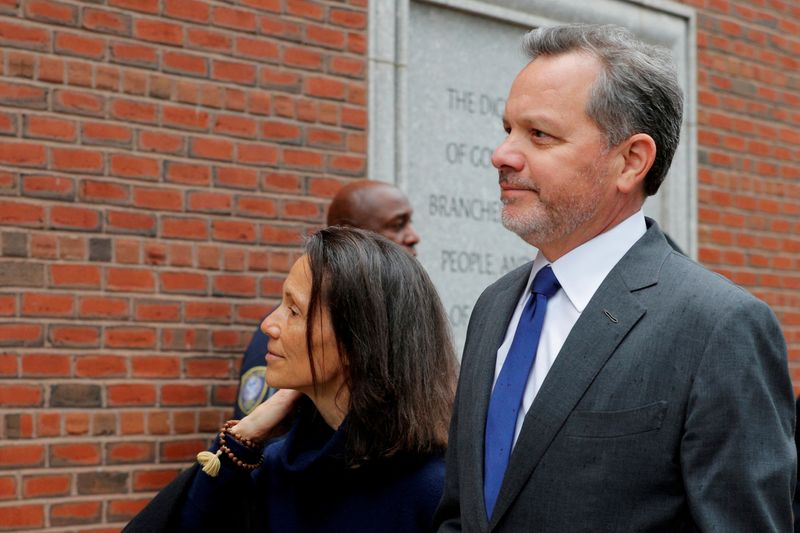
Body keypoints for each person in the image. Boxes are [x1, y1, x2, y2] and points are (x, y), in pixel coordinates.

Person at [435, 24, 795, 532]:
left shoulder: (718, 326)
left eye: (539, 134)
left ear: (630, 161)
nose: (503, 155)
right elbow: (461, 514)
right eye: (507, 129)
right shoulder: (496, 306)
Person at [126, 227, 457, 532]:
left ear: (359, 341)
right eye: (280, 305)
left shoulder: (437, 489)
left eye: (294, 311)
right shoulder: (278, 467)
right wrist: (239, 442)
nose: (269, 324)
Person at [234, 180, 421, 419]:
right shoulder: (281, 337)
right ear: (351, 232)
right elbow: (259, 435)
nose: (413, 236)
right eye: (397, 224)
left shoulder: (405, 325)